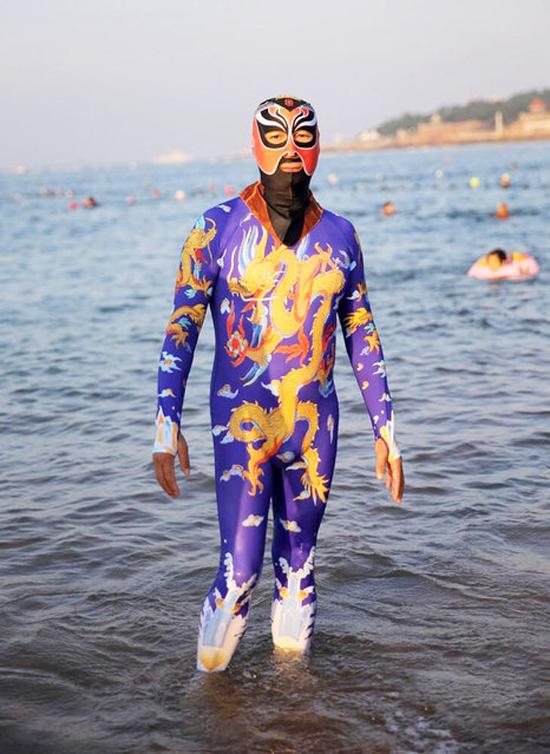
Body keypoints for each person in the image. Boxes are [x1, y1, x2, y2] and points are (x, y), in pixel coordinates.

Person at [152, 95, 404, 673]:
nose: (290, 148)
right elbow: (182, 328)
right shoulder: (215, 228)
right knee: (239, 572)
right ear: (254, 146)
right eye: (276, 136)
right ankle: (205, 701)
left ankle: (293, 704)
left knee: (299, 565)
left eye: (302, 135)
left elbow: (361, 331)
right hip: (242, 426)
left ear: (318, 147)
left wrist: (387, 432)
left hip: (314, 430)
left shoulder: (341, 236)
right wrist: (167, 425)